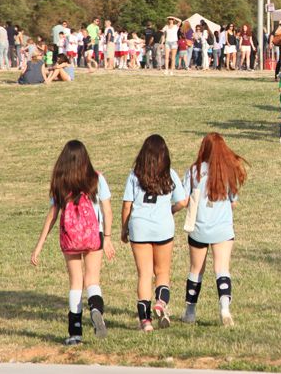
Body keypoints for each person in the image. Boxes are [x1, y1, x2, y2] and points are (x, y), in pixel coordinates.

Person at [31, 140, 116, 345]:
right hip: (93, 236)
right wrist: (107, 238)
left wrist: (39, 246)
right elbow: (107, 211)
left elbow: (52, 216)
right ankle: (95, 309)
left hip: (70, 238)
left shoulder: (60, 182)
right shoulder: (97, 179)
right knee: (92, 280)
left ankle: (75, 332)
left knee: (76, 282)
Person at [181, 133, 248, 326]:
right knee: (222, 268)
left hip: (199, 228)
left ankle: (190, 312)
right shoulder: (228, 170)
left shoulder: (194, 170)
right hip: (222, 229)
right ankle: (225, 309)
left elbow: (185, 199)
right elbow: (233, 201)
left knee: (196, 270)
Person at [121, 135, 186, 332]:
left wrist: (124, 228)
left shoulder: (135, 175)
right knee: (162, 272)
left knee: (144, 274)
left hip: (139, 229)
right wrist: (170, 210)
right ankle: (161, 303)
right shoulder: (170, 174)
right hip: (163, 227)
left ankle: (146, 321)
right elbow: (182, 202)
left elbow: (127, 205)